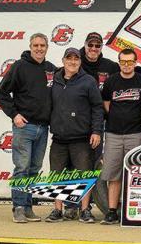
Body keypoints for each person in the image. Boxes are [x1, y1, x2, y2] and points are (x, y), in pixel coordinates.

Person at [0, 33, 56, 223]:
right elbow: (2, 92)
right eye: (36, 45)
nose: (39, 48)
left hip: (43, 128)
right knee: (22, 168)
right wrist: (14, 114)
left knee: (34, 169)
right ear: (30, 46)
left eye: (42, 45)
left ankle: (28, 207)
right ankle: (19, 208)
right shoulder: (19, 66)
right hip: (24, 127)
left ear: (47, 47)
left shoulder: (51, 69)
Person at [45, 48, 103, 224]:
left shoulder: (88, 81)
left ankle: (85, 210)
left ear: (80, 62)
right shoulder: (53, 80)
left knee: (84, 176)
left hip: (81, 139)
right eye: (69, 59)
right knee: (57, 176)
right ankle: (57, 210)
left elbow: (97, 107)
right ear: (63, 61)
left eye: (76, 59)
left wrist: (96, 131)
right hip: (59, 139)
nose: (72, 62)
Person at [100, 48, 141, 225]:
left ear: (135, 62)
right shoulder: (111, 81)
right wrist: (117, 117)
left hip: (136, 134)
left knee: (135, 174)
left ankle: (131, 210)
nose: (126, 65)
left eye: (130, 62)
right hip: (113, 133)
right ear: (119, 62)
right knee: (113, 175)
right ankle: (112, 211)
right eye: (123, 62)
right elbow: (106, 104)